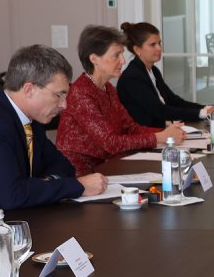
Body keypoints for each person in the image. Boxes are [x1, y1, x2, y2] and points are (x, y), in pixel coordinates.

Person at [0, 44, 107, 242]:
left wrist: (43, 184)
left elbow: (63, 166)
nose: (64, 104)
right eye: (59, 95)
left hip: (22, 224)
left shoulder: (28, 120)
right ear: (29, 89)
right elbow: (14, 194)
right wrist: (78, 186)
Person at [57, 24, 184, 176]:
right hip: (80, 174)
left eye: (122, 54)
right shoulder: (81, 93)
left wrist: (167, 132)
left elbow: (130, 128)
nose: (123, 61)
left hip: (106, 166)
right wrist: (159, 137)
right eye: (116, 55)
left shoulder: (108, 88)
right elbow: (110, 143)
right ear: (94, 59)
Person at [116, 21, 214, 129]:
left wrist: (208, 108)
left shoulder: (153, 70)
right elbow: (160, 110)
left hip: (161, 131)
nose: (159, 48)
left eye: (159, 43)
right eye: (152, 45)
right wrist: (202, 112)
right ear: (137, 49)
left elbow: (173, 101)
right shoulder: (132, 78)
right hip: (147, 136)